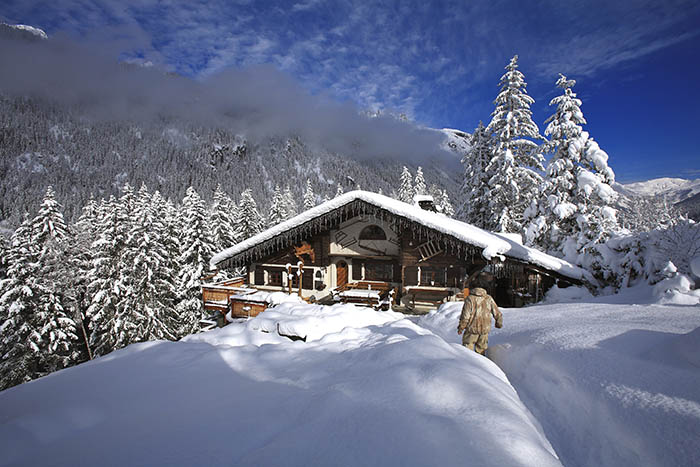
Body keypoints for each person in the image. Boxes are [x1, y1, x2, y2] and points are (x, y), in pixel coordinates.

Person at [457, 287, 502, 355]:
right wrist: (499, 323)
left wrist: (461, 327)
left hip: (472, 329)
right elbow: (497, 313)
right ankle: (480, 364)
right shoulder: (488, 298)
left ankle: (468, 364)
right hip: (484, 330)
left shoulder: (470, 299)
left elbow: (465, 316)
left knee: (468, 351)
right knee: (481, 351)